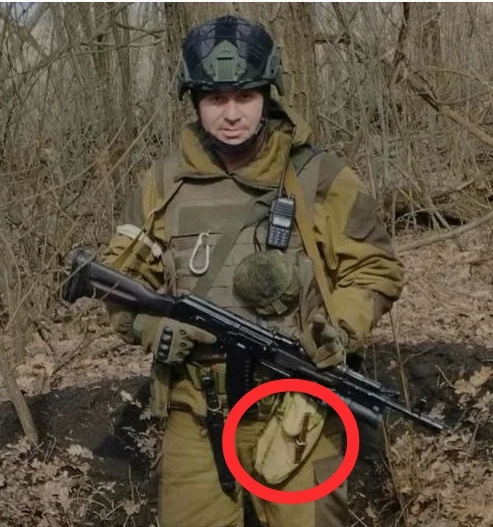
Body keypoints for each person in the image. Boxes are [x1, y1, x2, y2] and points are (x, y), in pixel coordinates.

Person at [101, 14, 404, 527]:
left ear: (268, 93)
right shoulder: (162, 185)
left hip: (299, 408)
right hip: (195, 412)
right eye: (216, 98)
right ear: (194, 101)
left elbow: (376, 267)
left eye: (245, 96)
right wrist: (152, 326)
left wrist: (340, 327)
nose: (231, 113)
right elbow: (119, 283)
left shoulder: (319, 177)